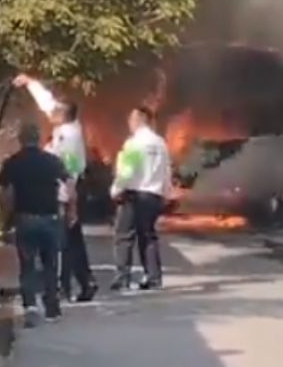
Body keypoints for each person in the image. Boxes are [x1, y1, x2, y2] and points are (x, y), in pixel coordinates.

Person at [13, 74, 97, 303]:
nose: (50, 113)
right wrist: (30, 82)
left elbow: (67, 172)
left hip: (63, 193)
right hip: (64, 193)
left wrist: (69, 203)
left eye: (55, 112)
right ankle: (84, 282)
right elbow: (47, 103)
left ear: (63, 115)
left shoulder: (68, 138)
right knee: (72, 240)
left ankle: (63, 287)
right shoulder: (67, 126)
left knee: (62, 244)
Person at [0, 122, 72, 326]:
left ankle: (30, 306)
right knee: (50, 264)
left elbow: (1, 189)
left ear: (21, 140)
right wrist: (71, 211)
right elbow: (69, 183)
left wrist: (5, 214)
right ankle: (52, 308)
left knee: (27, 265)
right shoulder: (52, 161)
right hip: (50, 219)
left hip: (25, 218)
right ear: (38, 139)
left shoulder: (14, 162)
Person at [110, 106, 173, 291]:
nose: (129, 123)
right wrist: (166, 193)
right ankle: (153, 278)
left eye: (131, 119)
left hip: (134, 194)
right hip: (153, 195)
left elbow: (127, 171)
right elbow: (166, 170)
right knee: (148, 236)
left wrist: (116, 190)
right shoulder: (160, 143)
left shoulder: (134, 143)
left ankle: (123, 278)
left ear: (139, 120)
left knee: (124, 236)